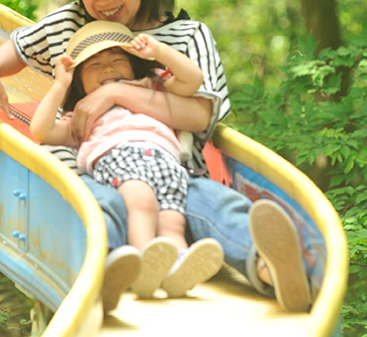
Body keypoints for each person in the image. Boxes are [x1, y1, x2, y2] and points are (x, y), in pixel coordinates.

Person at [0, 0, 312, 314]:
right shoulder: (70, 25)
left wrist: (115, 92)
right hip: (93, 171)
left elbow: (199, 115)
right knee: (100, 207)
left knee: (217, 206)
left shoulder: (187, 37)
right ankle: (108, 271)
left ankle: (269, 267)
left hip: (174, 171)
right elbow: (17, 48)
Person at [30, 20, 225, 304]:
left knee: (172, 219)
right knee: (142, 203)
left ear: (134, 65)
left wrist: (158, 51)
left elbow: (193, 79)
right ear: (79, 81)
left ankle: (178, 269)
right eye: (94, 65)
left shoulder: (152, 89)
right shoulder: (82, 114)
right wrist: (61, 84)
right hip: (118, 158)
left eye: (118, 59)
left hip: (167, 164)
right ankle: (145, 264)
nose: (107, 68)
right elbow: (41, 130)